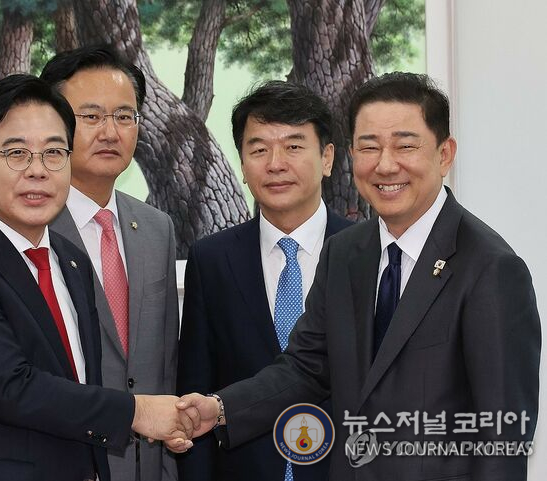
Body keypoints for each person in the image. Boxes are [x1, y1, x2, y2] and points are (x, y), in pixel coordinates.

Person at [176, 72, 541, 480]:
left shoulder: (490, 268)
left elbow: (502, 438)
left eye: (405, 145)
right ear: (351, 155)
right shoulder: (346, 252)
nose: (385, 165)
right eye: (369, 147)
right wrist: (219, 409)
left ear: (444, 154)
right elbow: (306, 368)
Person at [0, 74, 191, 481]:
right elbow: (13, 389)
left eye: (54, 153)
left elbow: (80, 389)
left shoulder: (71, 261)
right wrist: (138, 412)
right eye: (17, 154)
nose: (38, 171)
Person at [177, 80, 352, 481]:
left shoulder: (366, 252)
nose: (275, 164)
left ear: (326, 158)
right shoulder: (213, 260)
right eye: (258, 150)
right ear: (242, 164)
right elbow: (196, 389)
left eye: (293, 147)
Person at [40, 45, 179, 480]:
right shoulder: (33, 231)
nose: (110, 132)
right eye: (92, 116)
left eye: (124, 116)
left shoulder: (157, 228)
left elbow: (165, 368)